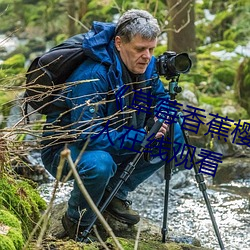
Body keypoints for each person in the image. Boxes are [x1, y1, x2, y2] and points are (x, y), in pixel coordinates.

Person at [41, 9, 184, 241]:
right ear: (119, 43)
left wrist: (162, 115)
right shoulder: (93, 75)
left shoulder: (146, 66)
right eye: (140, 49)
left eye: (151, 49)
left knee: (174, 134)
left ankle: (115, 193)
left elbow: (161, 99)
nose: (147, 56)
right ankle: (76, 221)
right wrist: (141, 137)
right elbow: (86, 135)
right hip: (67, 149)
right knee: (100, 164)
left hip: (115, 136)